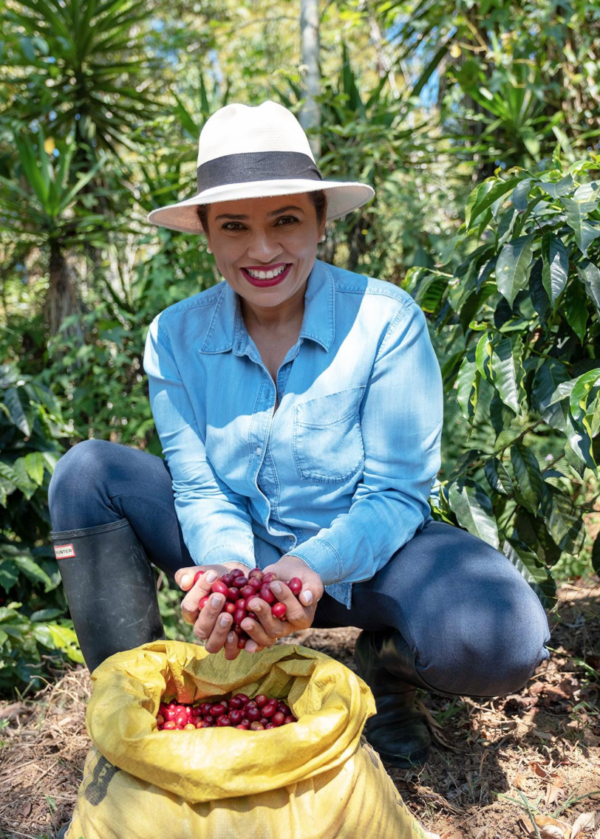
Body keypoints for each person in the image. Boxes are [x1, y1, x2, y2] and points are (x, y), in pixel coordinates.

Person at [48, 100, 550, 768]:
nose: (262, 250)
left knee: (502, 636)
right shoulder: (173, 337)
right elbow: (198, 486)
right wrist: (230, 568)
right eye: (234, 227)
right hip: (241, 547)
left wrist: (309, 567)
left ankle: (389, 672)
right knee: (85, 473)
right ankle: (142, 703)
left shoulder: (385, 320)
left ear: (319, 219)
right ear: (206, 232)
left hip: (363, 558)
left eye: (285, 220)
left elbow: (397, 492)